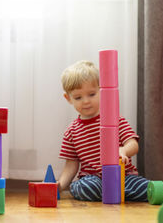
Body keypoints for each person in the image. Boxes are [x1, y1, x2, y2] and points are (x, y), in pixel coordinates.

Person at [57, 60, 148, 201]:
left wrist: (123, 151)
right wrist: (60, 186)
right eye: (78, 97)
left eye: (92, 94)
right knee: (86, 188)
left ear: (102, 91)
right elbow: (71, 165)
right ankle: (108, 192)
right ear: (68, 98)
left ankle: (119, 191)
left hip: (124, 176)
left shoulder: (115, 119)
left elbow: (133, 144)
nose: (86, 101)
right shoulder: (71, 131)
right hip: (92, 179)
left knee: (146, 188)